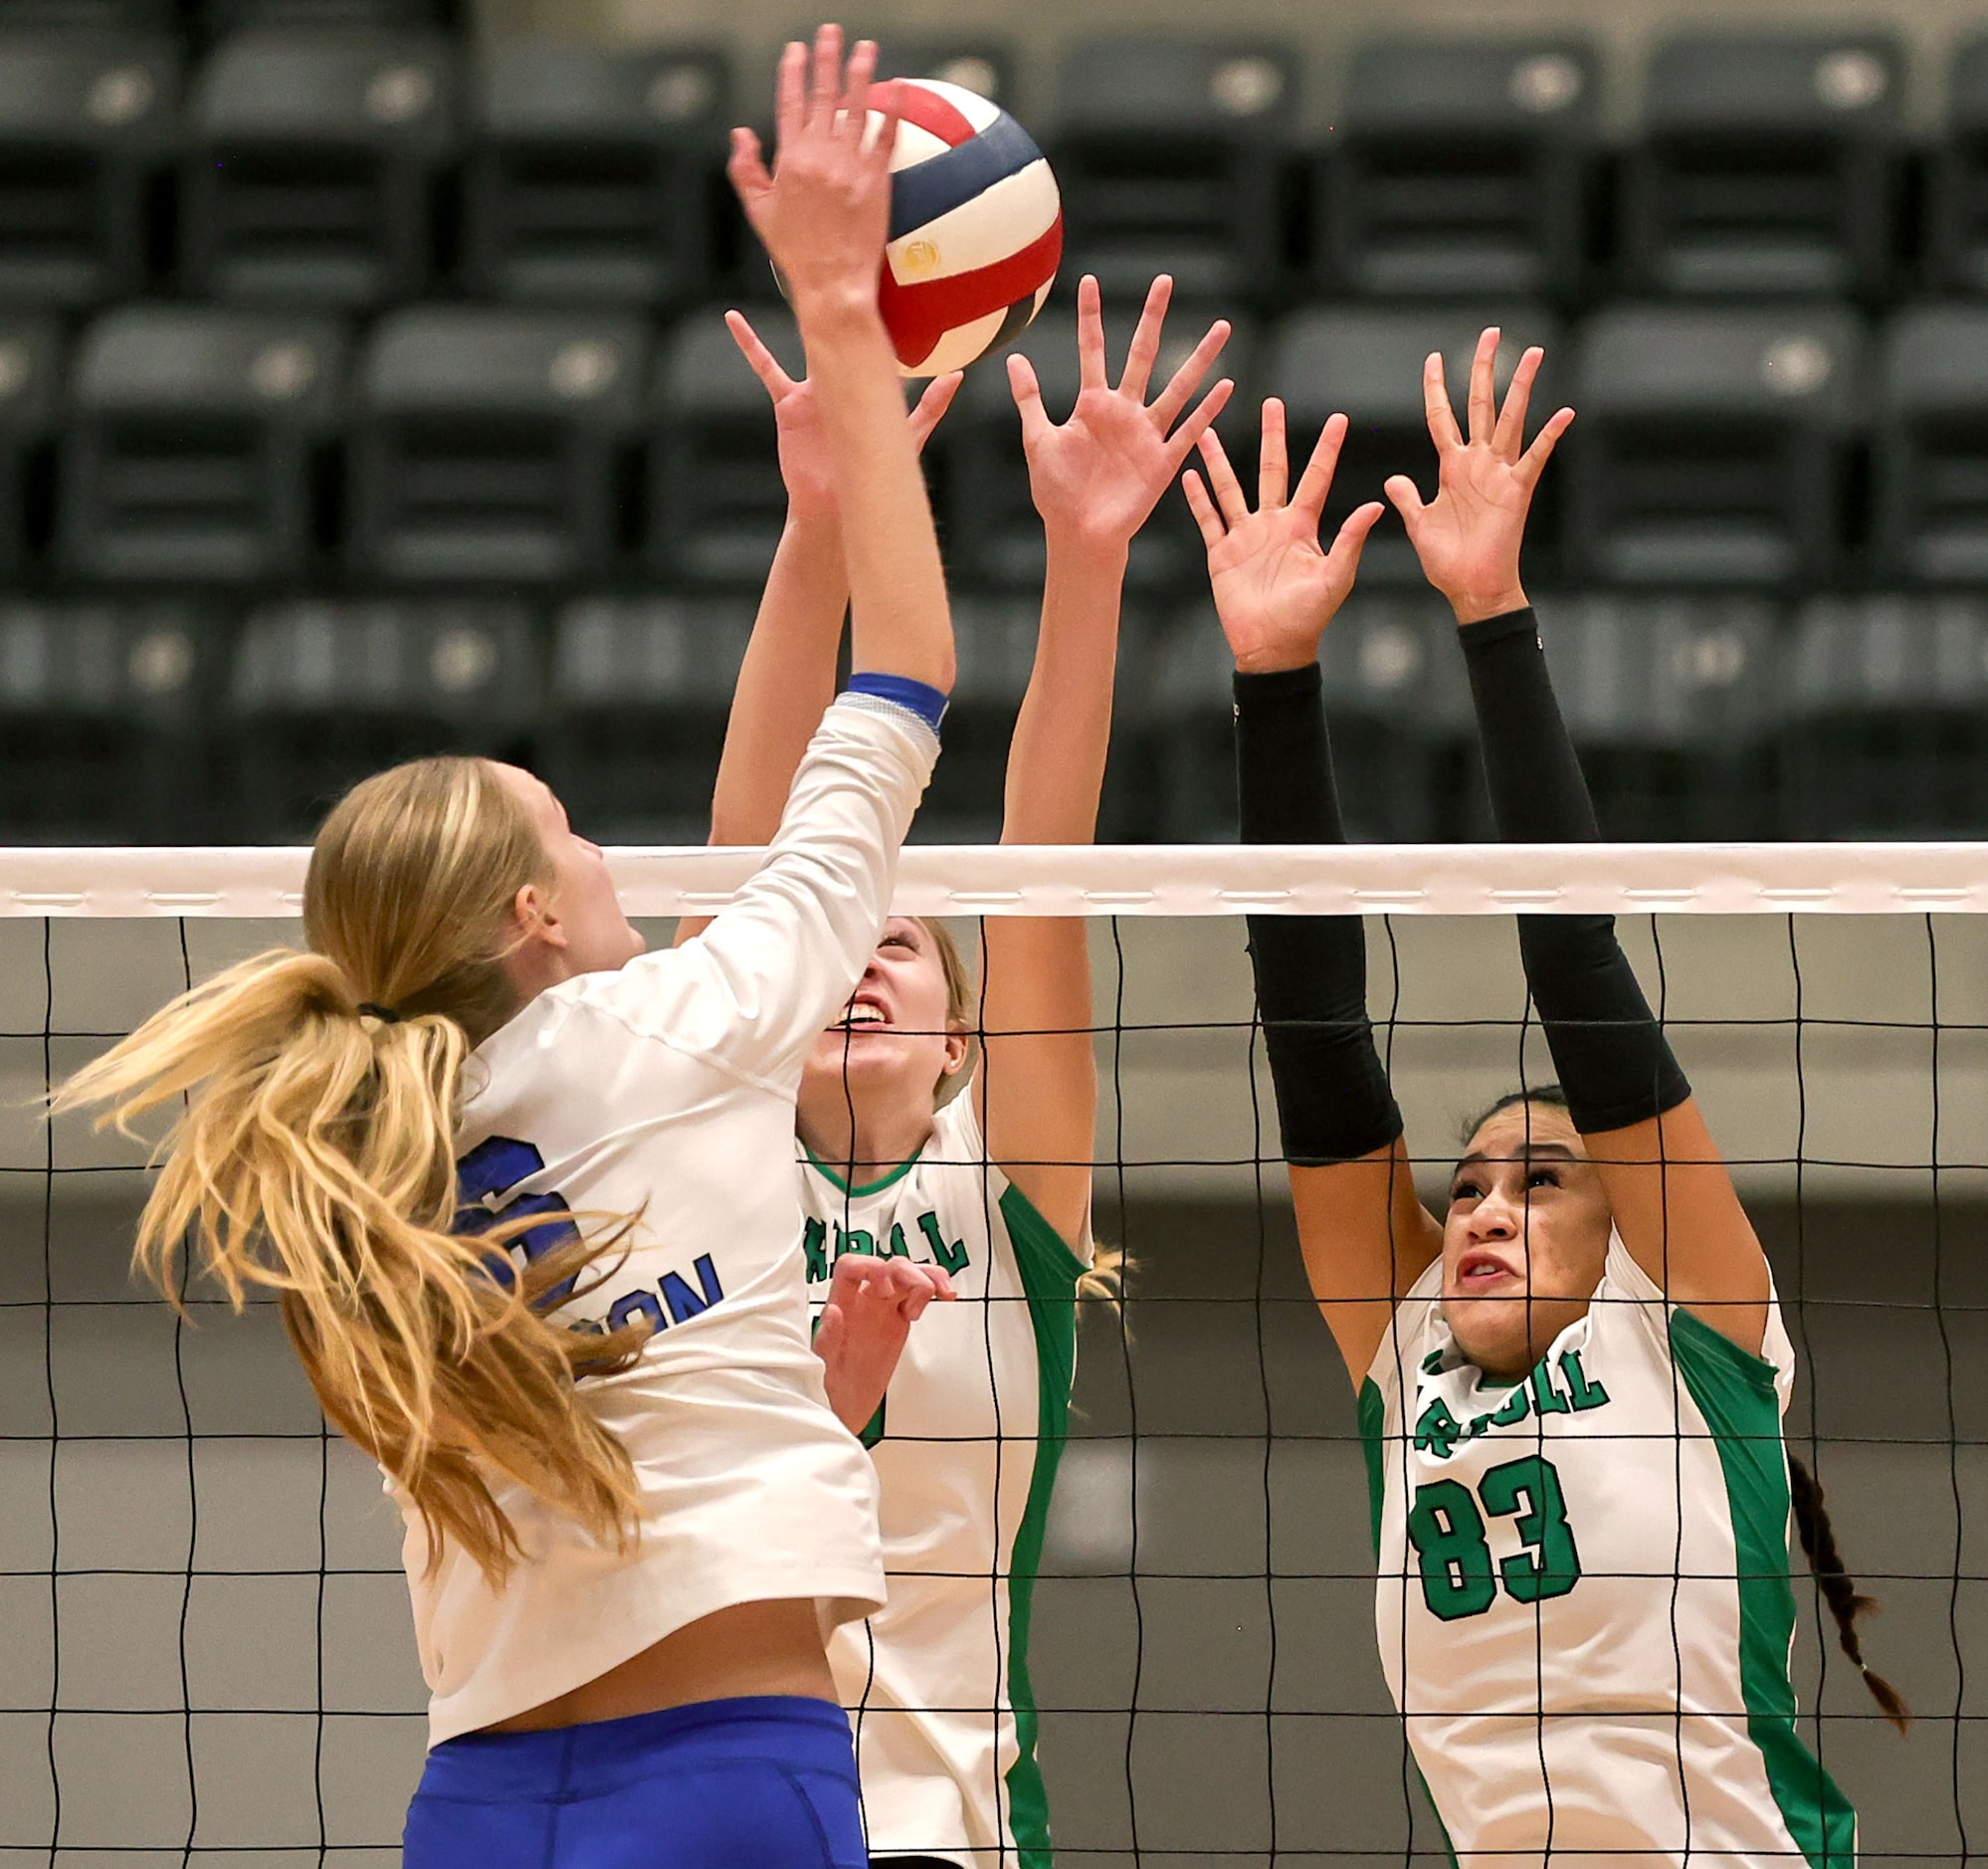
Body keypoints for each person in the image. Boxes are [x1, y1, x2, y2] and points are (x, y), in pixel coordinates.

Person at [57, 29, 964, 1869]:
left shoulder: (363, 1153)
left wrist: (806, 517)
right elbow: (909, 681)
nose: (611, 848)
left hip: (477, 1802)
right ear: (534, 912)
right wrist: (845, 330)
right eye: (572, 828)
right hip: (729, 1780)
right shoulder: (688, 1025)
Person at [1181, 327, 1905, 1867]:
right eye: (1464, 1190)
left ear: (1622, 1229)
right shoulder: (1402, 1352)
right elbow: (1313, 1034)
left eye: (1536, 1181)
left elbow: (1575, 961)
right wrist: (1274, 674)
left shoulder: (1692, 1329)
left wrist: (1490, 616)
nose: (1483, 1212)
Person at [683, 272, 1230, 1867]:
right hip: (712, 1806)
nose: (861, 954)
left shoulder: (1006, 1183)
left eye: (903, 946)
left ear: (964, 1039)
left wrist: (1089, 559)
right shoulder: (715, 1138)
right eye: (847, 940)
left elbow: (1041, 863)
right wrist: (818, 528)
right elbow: (753, 865)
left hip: (942, 1829)